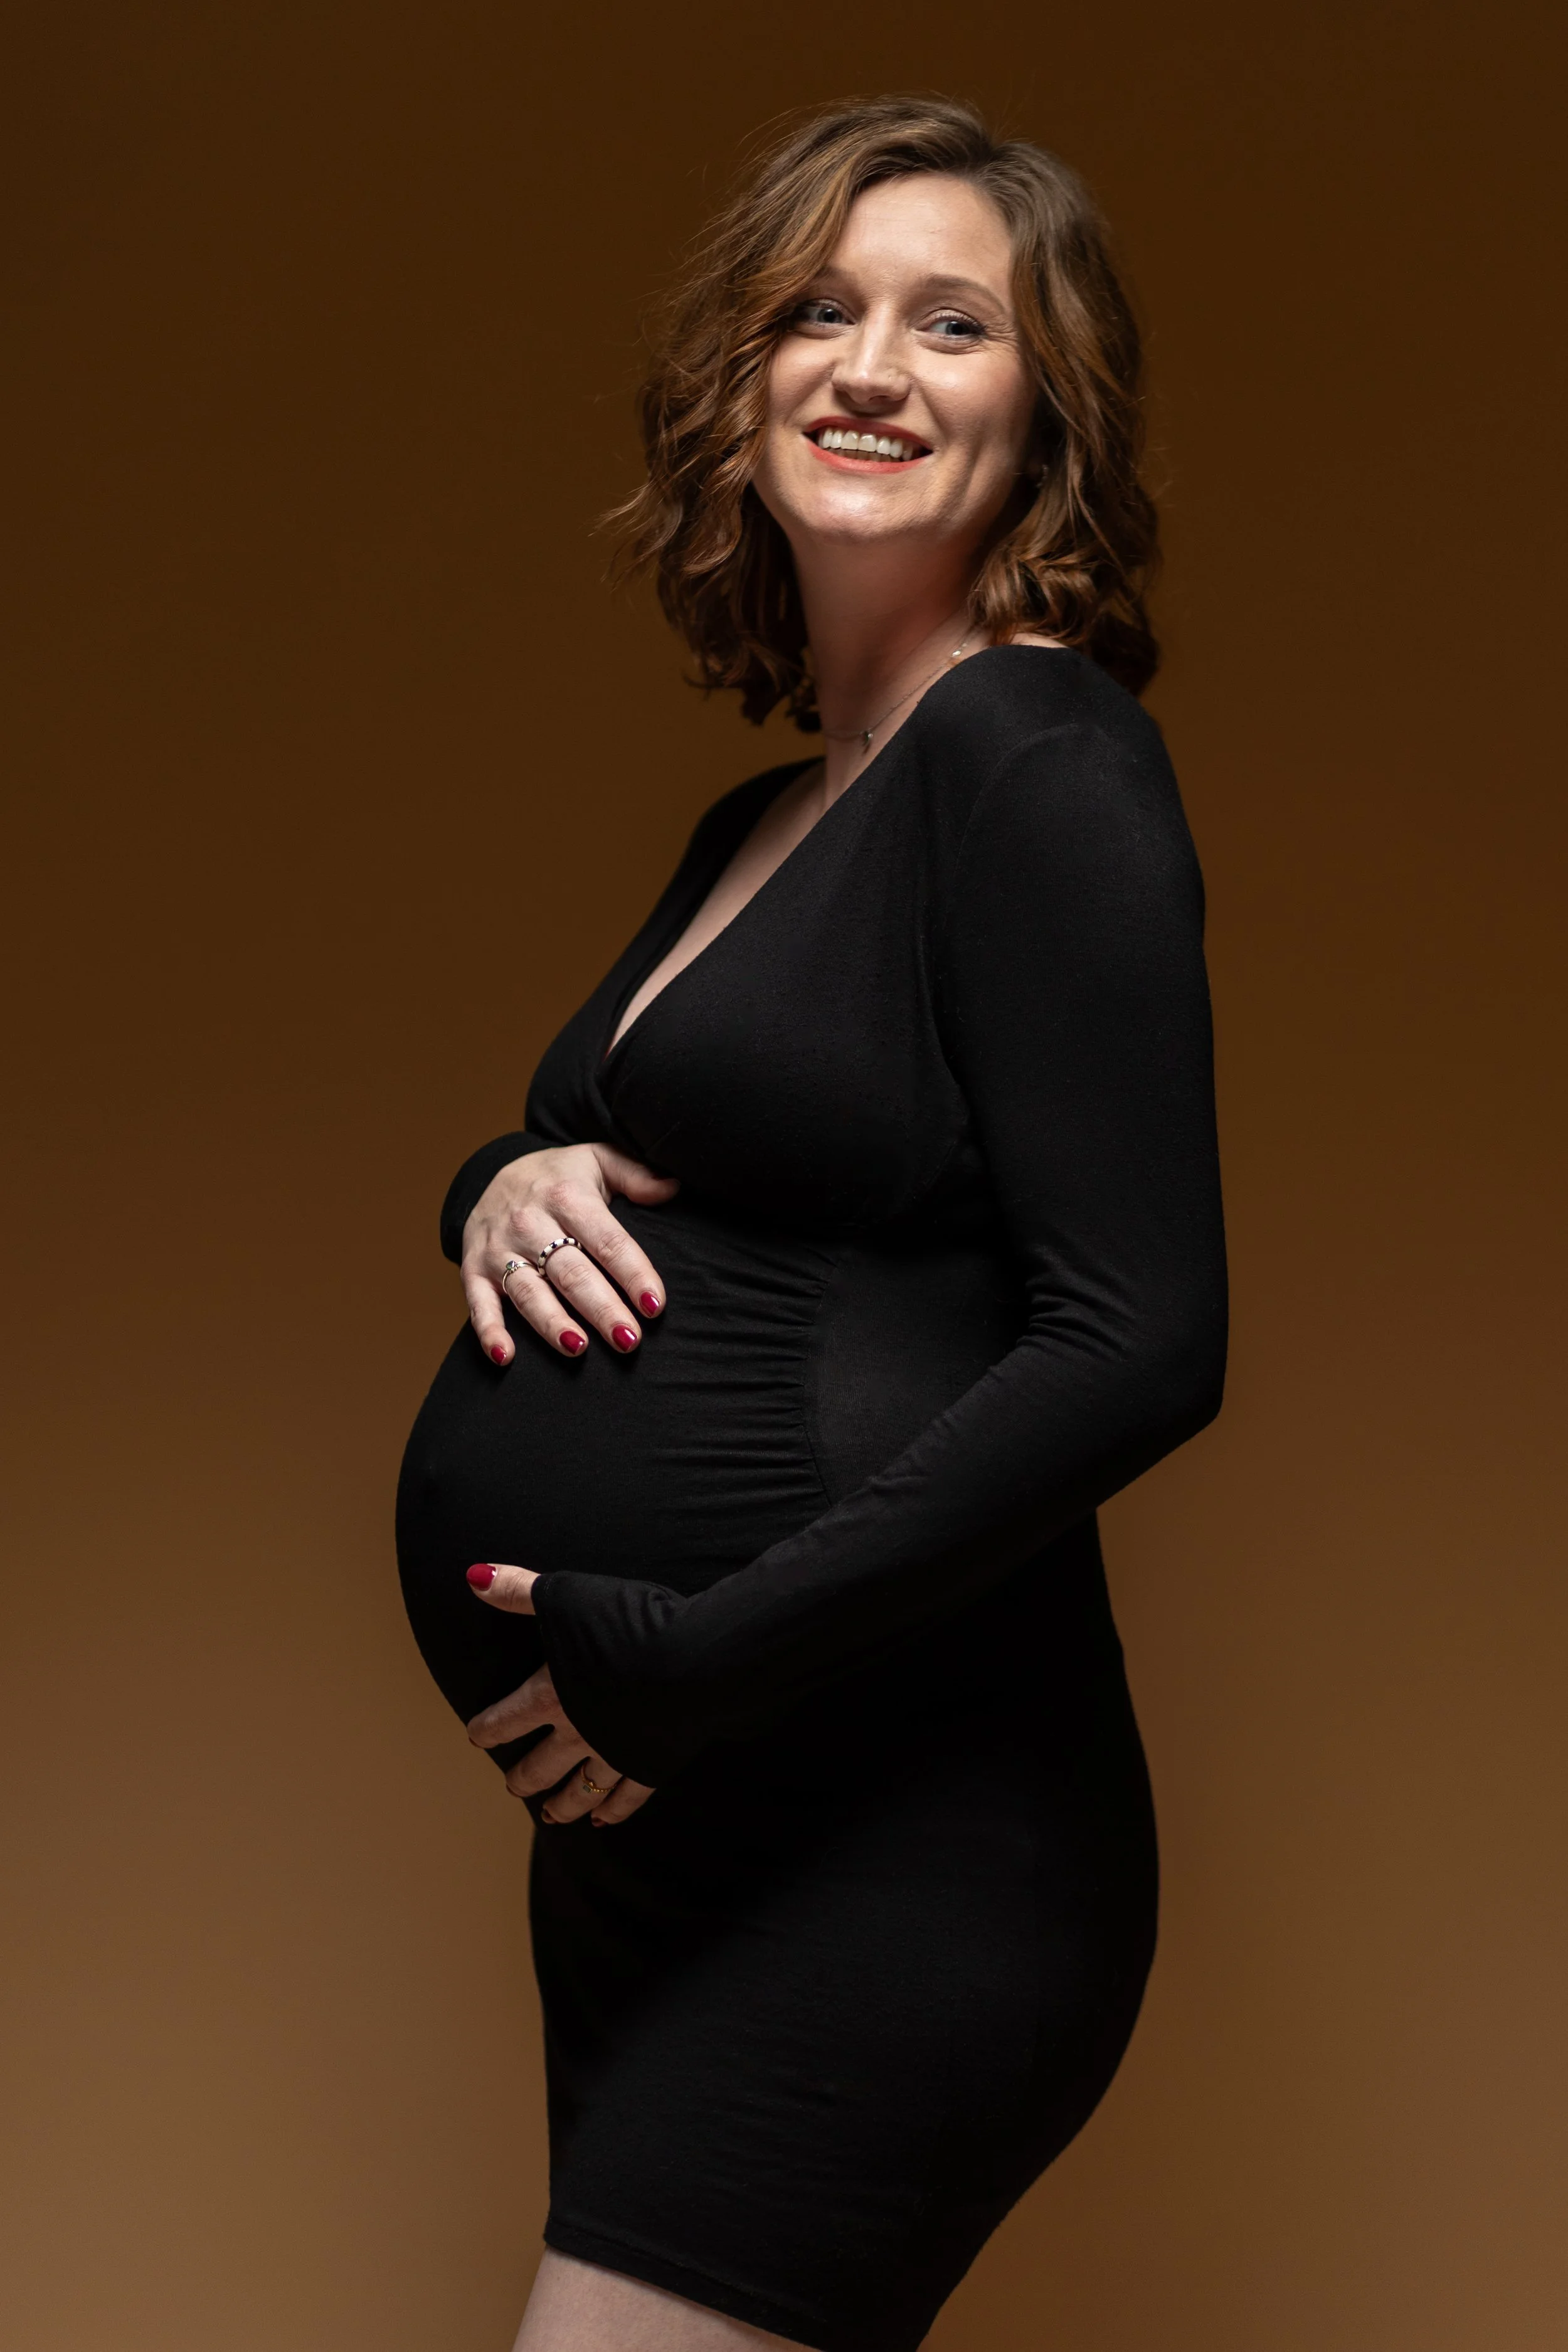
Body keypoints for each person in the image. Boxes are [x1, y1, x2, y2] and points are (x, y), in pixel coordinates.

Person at [396, 93, 1226, 2352]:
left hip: (896, 1831)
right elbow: (680, 1161)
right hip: (670, 1854)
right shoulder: (771, 806)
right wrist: (504, 1173)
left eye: (950, 321)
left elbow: (1144, 1329)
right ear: (738, 374)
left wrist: (703, 1650)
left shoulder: (1034, 754)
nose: (867, 363)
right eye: (818, 308)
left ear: (1041, 410)